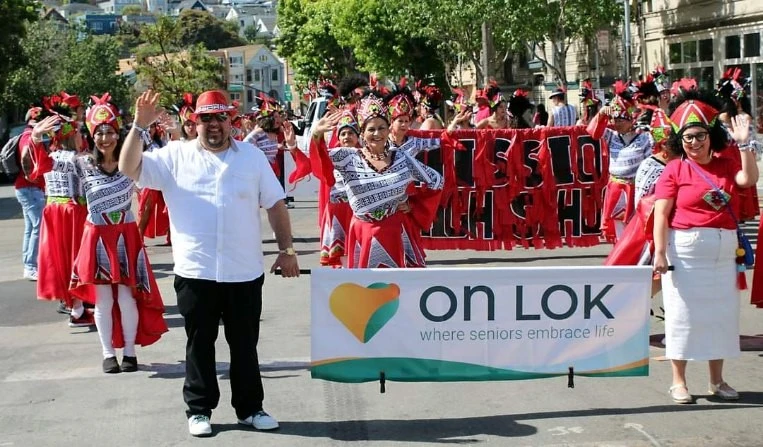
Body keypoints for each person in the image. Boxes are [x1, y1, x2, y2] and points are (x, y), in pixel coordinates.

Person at [119, 89, 300, 437]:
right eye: (206, 118)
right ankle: (199, 409)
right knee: (199, 344)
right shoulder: (175, 156)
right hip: (195, 271)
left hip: (243, 270)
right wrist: (140, 126)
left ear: (231, 121)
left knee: (245, 345)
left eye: (220, 117)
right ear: (195, 122)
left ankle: (251, 408)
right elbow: (129, 167)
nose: (214, 125)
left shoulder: (251, 157)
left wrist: (287, 250)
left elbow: (276, 204)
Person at [652, 90, 758, 404]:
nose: (695, 143)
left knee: (720, 317)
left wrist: (745, 145)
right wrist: (659, 252)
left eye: (699, 136)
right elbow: (661, 212)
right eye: (687, 139)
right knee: (682, 316)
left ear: (710, 136)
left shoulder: (727, 164)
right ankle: (679, 381)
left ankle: (717, 381)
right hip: (684, 253)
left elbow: (748, 179)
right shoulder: (674, 169)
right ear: (678, 142)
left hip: (723, 254)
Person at [69, 93, 168, 374]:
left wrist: (162, 125)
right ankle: (107, 353)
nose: (105, 138)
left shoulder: (131, 161)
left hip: (125, 235)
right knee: (103, 300)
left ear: (117, 132)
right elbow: (45, 172)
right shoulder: (81, 164)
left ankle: (129, 352)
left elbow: (162, 147)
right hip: (97, 235)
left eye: (110, 132)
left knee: (126, 298)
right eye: (99, 133)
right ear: (92, 135)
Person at [310, 90, 444, 268]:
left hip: (396, 233)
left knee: (399, 291)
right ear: (362, 133)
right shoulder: (347, 157)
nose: (377, 134)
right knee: (362, 292)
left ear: (389, 129)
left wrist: (414, 205)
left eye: (381, 128)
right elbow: (320, 165)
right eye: (371, 129)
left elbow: (437, 181)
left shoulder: (402, 158)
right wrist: (316, 135)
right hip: (362, 233)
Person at [30, 95, 93, 327]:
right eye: (78, 133)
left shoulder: (51, 156)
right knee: (78, 260)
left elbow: (36, 172)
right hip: (71, 211)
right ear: (70, 135)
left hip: (53, 209)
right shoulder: (74, 159)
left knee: (61, 261)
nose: (81, 137)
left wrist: (36, 140)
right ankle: (79, 304)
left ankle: (75, 305)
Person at [14, 107, 47, 281]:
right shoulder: (29, 137)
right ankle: (31, 266)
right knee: (37, 226)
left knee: (30, 227)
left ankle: (29, 264)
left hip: (25, 188)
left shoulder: (25, 134)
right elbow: (26, 156)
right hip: (30, 188)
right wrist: (32, 177)